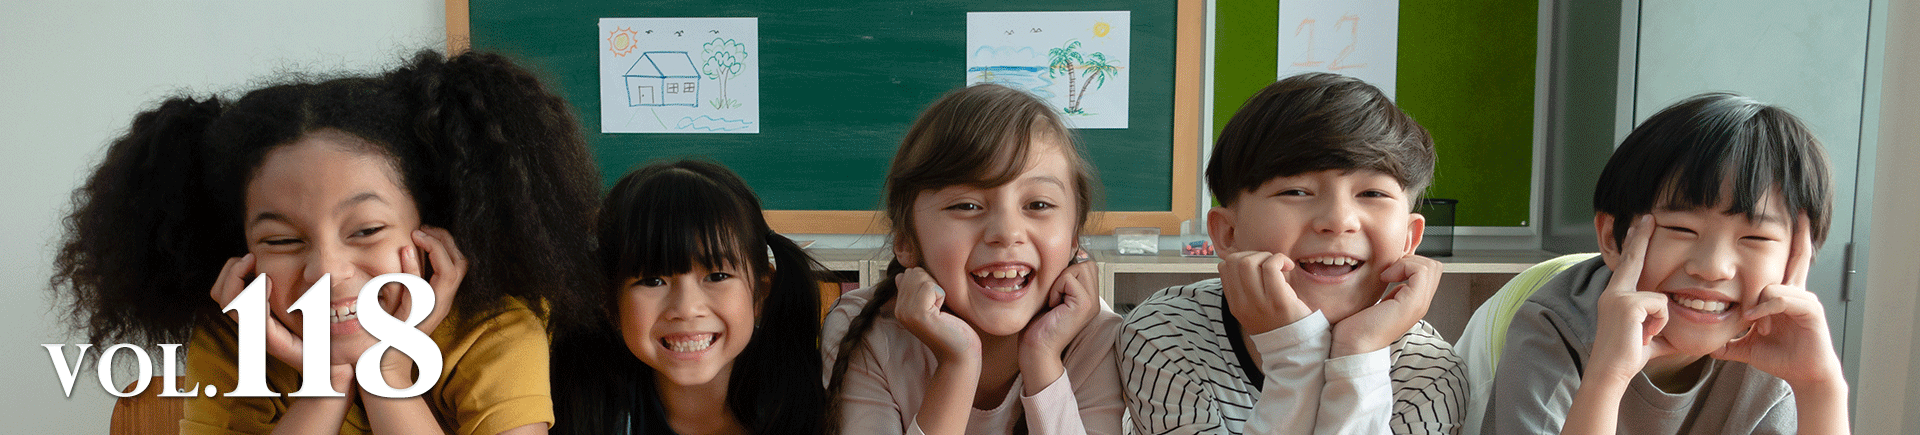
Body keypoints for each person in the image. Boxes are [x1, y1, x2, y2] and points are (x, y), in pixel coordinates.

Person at [51, 50, 601, 434]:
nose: (327, 271)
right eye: (282, 239)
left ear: (434, 231)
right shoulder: (231, 339)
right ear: (241, 251)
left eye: (366, 231)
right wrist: (326, 383)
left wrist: (386, 373)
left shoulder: (496, 326)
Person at [1118, 72, 1464, 435]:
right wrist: (1295, 356)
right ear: (1228, 233)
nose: (1338, 221)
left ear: (1410, 237)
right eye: (1296, 192)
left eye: (1372, 194)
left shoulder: (1430, 373)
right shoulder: (1166, 335)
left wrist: (1359, 353)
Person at [1483, 92, 1847, 434]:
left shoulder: (1774, 351)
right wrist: (1608, 374)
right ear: (1613, 239)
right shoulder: (1555, 332)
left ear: (1796, 257)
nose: (1713, 268)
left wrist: (1819, 386)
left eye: (1756, 238)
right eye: (1681, 229)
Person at [821, 83, 1122, 435]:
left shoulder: (1094, 335)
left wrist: (1042, 358)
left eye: (1038, 204)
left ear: (1074, 238)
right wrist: (957, 365)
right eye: (966, 206)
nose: (1007, 232)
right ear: (906, 241)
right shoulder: (865, 329)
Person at [550, 160, 829, 435]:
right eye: (653, 281)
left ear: (760, 292)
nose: (686, 308)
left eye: (717, 276)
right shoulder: (574, 408)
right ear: (609, 301)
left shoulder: (820, 400)